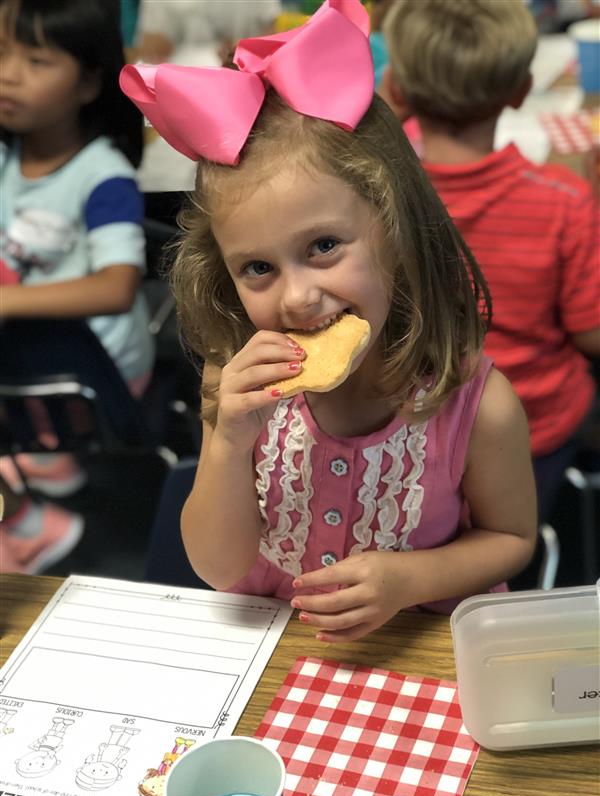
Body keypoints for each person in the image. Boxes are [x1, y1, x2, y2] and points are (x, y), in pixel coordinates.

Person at [121, 0, 537, 642]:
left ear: (396, 230)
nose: (296, 297)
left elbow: (511, 538)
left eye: (323, 247)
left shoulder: (477, 405)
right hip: (276, 649)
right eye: (258, 267)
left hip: (415, 650)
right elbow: (218, 566)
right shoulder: (236, 379)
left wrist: (411, 579)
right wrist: (230, 441)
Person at [383, 0, 600, 525]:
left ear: (398, 90)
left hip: (413, 434)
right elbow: (591, 335)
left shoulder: (380, 200)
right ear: (522, 90)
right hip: (538, 428)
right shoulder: (564, 200)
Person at [0, 0, 154, 569]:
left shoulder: (103, 175)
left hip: (92, 376)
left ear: (90, 82)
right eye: (0, 53)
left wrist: (6, 300)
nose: (8, 74)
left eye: (37, 61)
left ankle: (29, 523)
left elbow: (117, 288)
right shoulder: (7, 158)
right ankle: (45, 470)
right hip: (29, 363)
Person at [135, 0, 282, 65]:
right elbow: (150, 45)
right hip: (181, 83)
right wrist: (155, 45)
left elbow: (271, 35)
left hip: (244, 82)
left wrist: (245, 51)